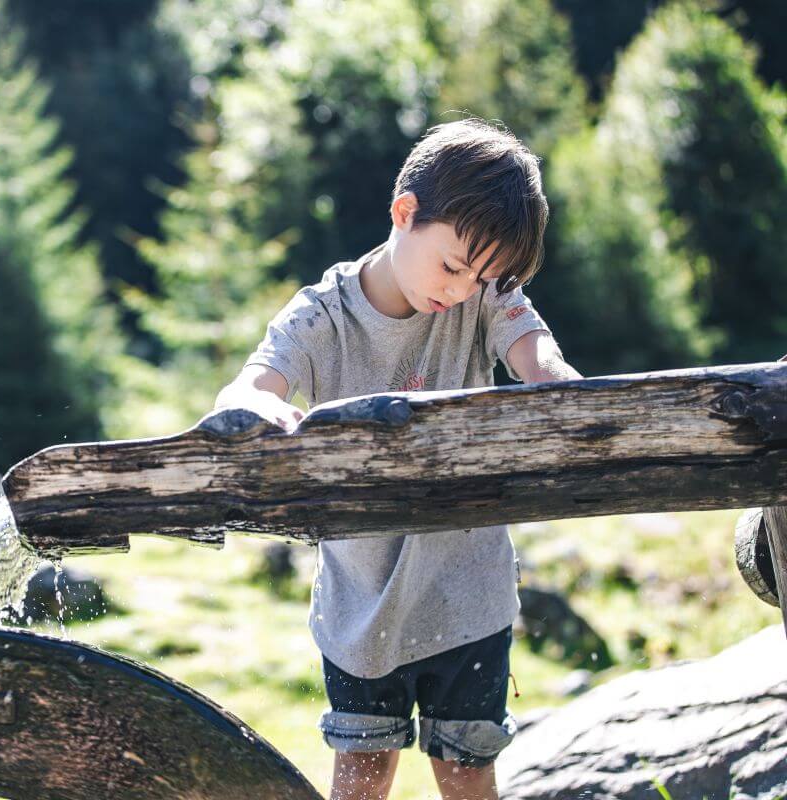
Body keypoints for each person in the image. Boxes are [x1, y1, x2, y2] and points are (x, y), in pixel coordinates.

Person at [212, 118, 582, 800]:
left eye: (482, 277)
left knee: (468, 772)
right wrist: (262, 406)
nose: (462, 290)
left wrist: (556, 382)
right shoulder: (321, 316)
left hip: (469, 591)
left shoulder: (486, 294)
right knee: (362, 775)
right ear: (404, 212)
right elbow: (249, 385)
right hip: (360, 603)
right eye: (453, 267)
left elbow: (538, 355)